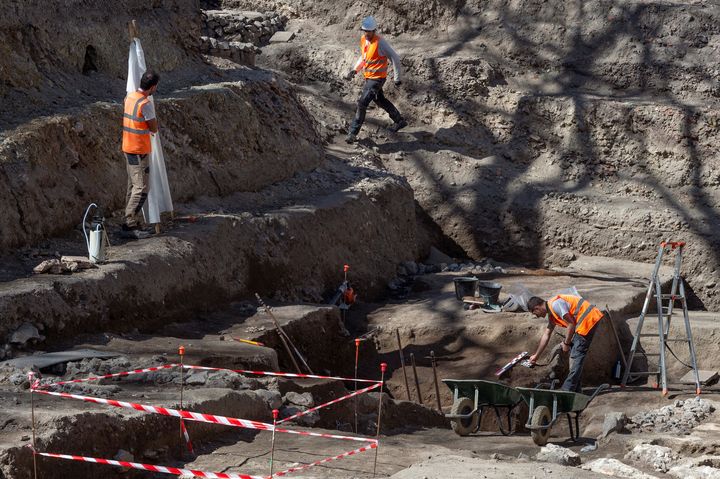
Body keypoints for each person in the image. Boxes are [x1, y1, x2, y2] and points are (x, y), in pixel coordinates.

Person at [344, 16, 407, 144]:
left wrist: (397, 78)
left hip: (377, 80)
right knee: (380, 100)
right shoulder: (363, 40)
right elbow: (364, 57)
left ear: (374, 30)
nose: (366, 34)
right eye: (364, 31)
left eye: (368, 31)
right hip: (369, 78)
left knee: (362, 103)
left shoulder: (380, 43)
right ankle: (399, 121)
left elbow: (394, 57)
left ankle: (353, 133)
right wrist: (355, 70)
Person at [527, 294, 604, 392]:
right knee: (575, 354)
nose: (537, 316)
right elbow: (547, 334)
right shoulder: (551, 313)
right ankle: (576, 389)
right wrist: (536, 356)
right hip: (582, 323)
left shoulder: (555, 305)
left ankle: (568, 389)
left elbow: (571, 324)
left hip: (587, 320)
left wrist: (566, 344)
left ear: (537, 308)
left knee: (577, 355)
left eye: (535, 313)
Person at [121, 70, 159, 239]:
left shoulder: (129, 97)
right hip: (138, 150)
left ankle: (130, 221)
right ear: (153, 87)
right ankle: (129, 223)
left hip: (129, 147)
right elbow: (154, 128)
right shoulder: (145, 104)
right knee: (141, 187)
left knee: (133, 186)